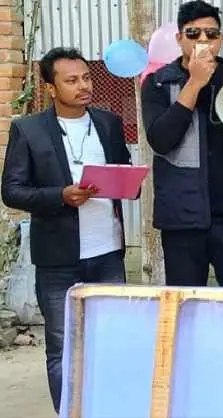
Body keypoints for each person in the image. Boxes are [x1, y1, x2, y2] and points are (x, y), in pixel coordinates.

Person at [140, 2, 223, 416]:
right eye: (194, 33)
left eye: (211, 34)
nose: (204, 41)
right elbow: (160, 139)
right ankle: (189, 400)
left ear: (221, 38)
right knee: (186, 314)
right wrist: (194, 85)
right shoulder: (158, 83)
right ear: (179, 38)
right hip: (183, 222)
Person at [1, 47, 132, 414]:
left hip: (107, 253)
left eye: (87, 78)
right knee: (62, 347)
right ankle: (69, 411)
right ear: (51, 88)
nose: (83, 86)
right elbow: (12, 191)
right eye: (71, 80)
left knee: (111, 341)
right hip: (58, 260)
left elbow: (121, 170)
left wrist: (129, 184)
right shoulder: (28, 130)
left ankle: (107, 409)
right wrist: (60, 196)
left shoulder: (107, 123)